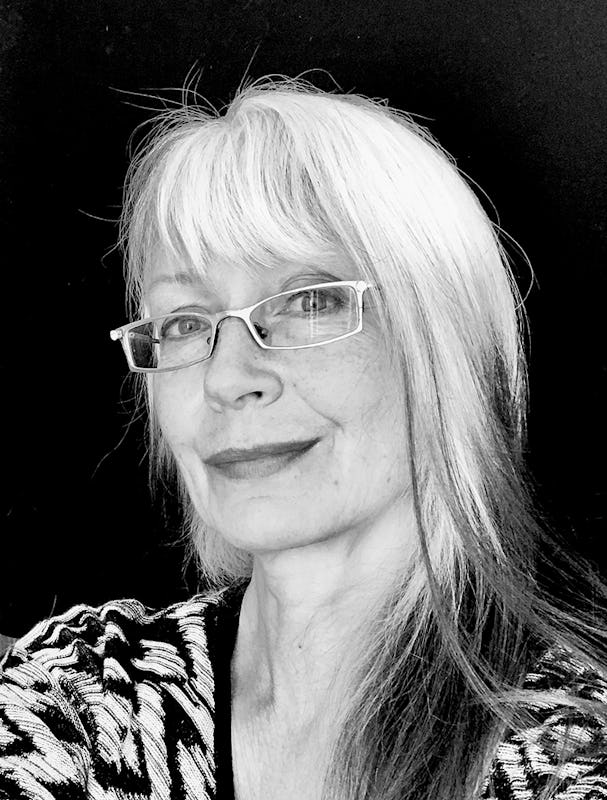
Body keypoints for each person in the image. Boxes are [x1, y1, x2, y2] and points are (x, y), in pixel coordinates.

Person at [1, 73, 607, 800]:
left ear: (441, 348)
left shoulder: (569, 751)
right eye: (186, 322)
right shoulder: (84, 701)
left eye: (308, 301)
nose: (227, 377)